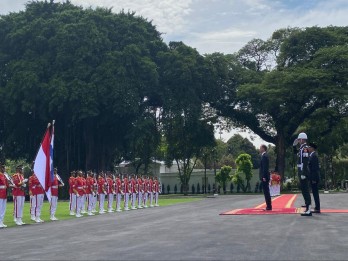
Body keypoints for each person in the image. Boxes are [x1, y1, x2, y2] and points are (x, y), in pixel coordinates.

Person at [293, 132, 312, 216]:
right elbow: (296, 153)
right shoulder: (301, 148)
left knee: (306, 190)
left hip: (303, 170)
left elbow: (305, 161)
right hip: (301, 170)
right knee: (304, 190)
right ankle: (307, 207)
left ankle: (309, 209)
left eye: (299, 139)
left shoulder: (305, 148)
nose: (298, 141)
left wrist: (304, 173)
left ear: (302, 139)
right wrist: (294, 146)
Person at [308, 143, 321, 213]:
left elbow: (315, 169)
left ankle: (317, 208)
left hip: (314, 178)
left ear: (312, 148)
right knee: (315, 193)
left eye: (309, 147)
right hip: (313, 177)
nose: (308, 148)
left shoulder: (314, 156)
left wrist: (313, 179)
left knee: (315, 193)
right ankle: (317, 207)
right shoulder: (312, 155)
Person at [259, 145, 272, 210]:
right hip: (265, 176)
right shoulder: (263, 156)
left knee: (266, 191)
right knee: (266, 191)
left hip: (265, 177)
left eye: (260, 148)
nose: (259, 149)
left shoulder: (264, 156)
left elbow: (265, 168)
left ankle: (269, 206)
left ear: (263, 148)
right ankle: (268, 206)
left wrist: (264, 176)